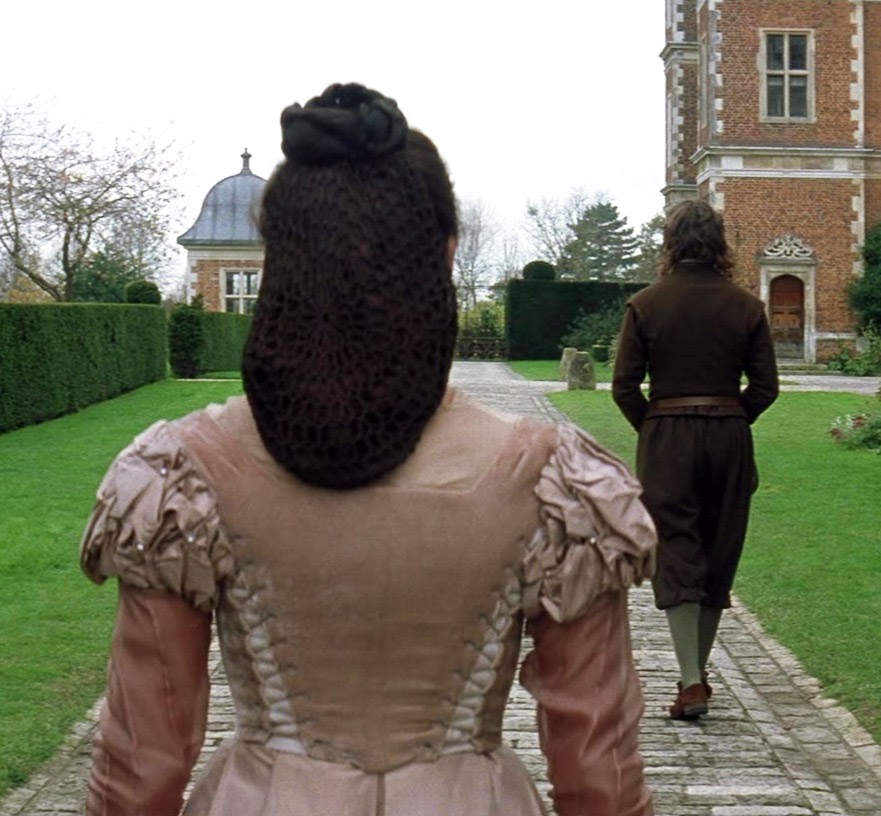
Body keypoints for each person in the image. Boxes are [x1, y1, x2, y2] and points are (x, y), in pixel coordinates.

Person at [80, 83, 657, 816]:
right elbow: (600, 772)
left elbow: (140, 764)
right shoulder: (550, 480)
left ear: (281, 257)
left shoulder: (184, 474)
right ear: (446, 253)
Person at [612, 199, 779, 721]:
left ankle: (691, 680)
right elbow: (766, 387)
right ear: (720, 243)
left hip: (667, 437)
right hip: (729, 434)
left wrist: (655, 426)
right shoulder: (747, 306)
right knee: (718, 548)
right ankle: (696, 677)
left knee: (678, 551)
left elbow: (623, 387)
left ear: (670, 243)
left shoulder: (645, 304)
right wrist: (732, 418)